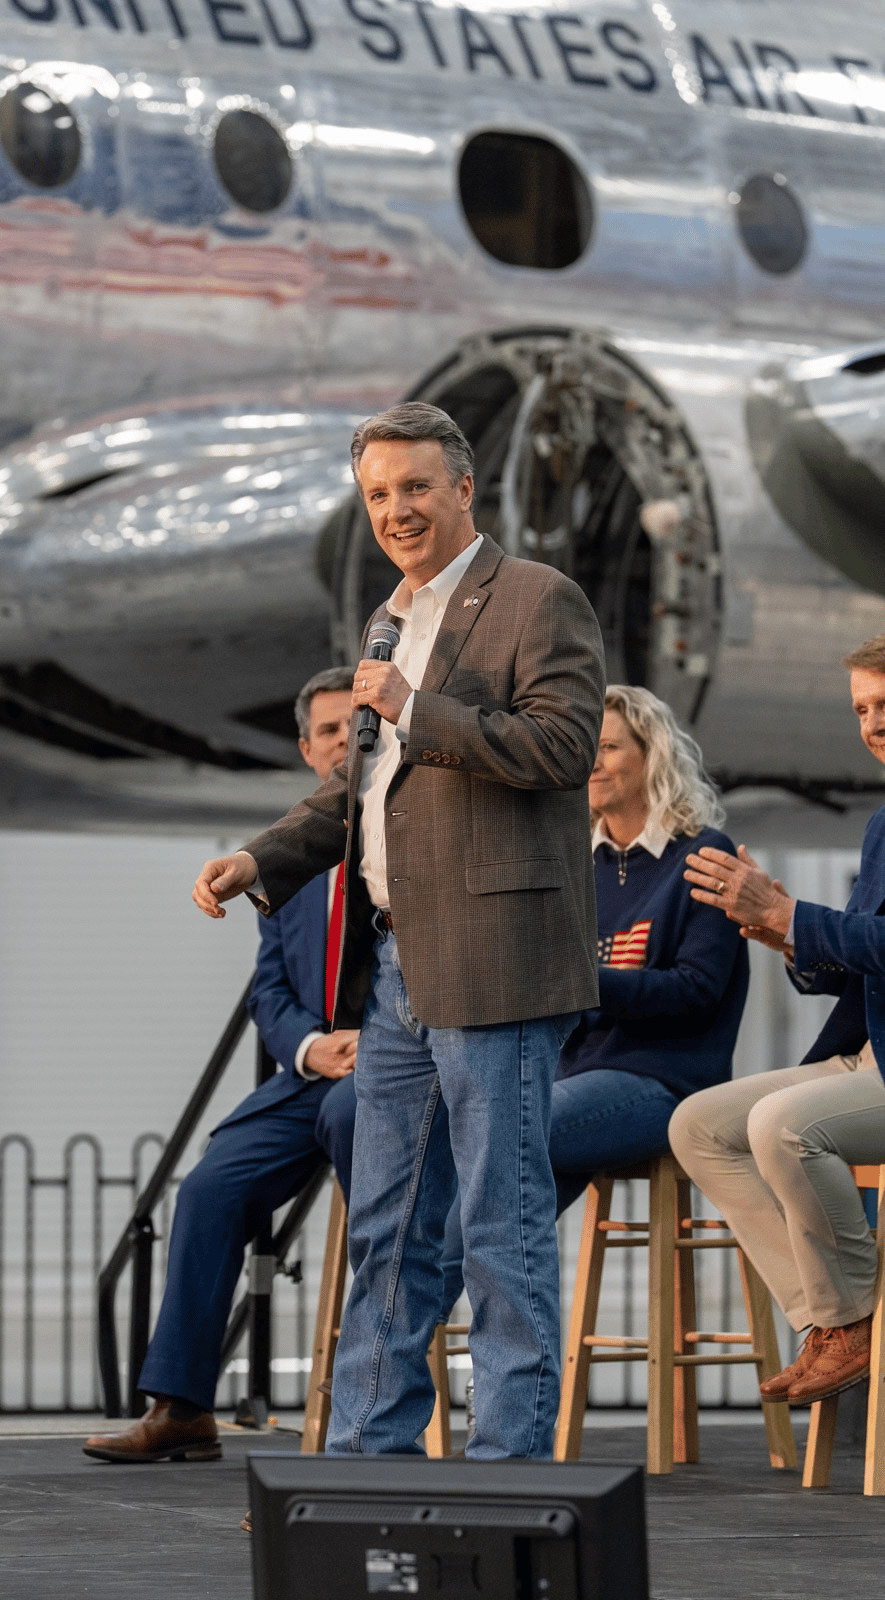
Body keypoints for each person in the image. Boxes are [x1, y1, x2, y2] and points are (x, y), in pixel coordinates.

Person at [192, 401, 605, 1460]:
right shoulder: (387, 620)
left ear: (464, 488)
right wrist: (263, 859)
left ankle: (509, 1469)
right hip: (393, 969)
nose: (396, 510)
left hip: (497, 961)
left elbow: (563, 749)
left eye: (415, 486)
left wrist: (417, 706)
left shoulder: (537, 598)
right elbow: (360, 791)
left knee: (501, 1226)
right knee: (386, 1227)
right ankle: (364, 1462)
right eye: (377, 494)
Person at [83, 668, 358, 1464]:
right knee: (209, 1189)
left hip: (394, 1066)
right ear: (306, 750)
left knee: (371, 1171)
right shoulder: (284, 856)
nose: (346, 741)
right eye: (329, 731)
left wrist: (375, 1042)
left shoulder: (407, 832)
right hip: (310, 1073)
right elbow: (268, 992)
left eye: (358, 726)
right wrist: (310, 1047)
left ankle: (366, 1413)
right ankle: (181, 1407)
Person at [671, 634, 885, 1407]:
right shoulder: (881, 824)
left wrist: (792, 915)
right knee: (698, 1125)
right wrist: (783, 933)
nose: (872, 724)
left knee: (782, 1126)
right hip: (868, 1053)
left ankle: (846, 1319)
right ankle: (837, 1320)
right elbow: (857, 960)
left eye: (884, 704)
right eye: (860, 709)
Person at [548, 686, 749, 1212]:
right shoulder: (575, 864)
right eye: (583, 746)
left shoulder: (704, 853)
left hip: (667, 1082)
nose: (592, 761)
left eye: (608, 746)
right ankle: (462, 1270)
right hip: (574, 1079)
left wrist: (580, 981)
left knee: (509, 1135)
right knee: (492, 1153)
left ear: (652, 755)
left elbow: (697, 990)